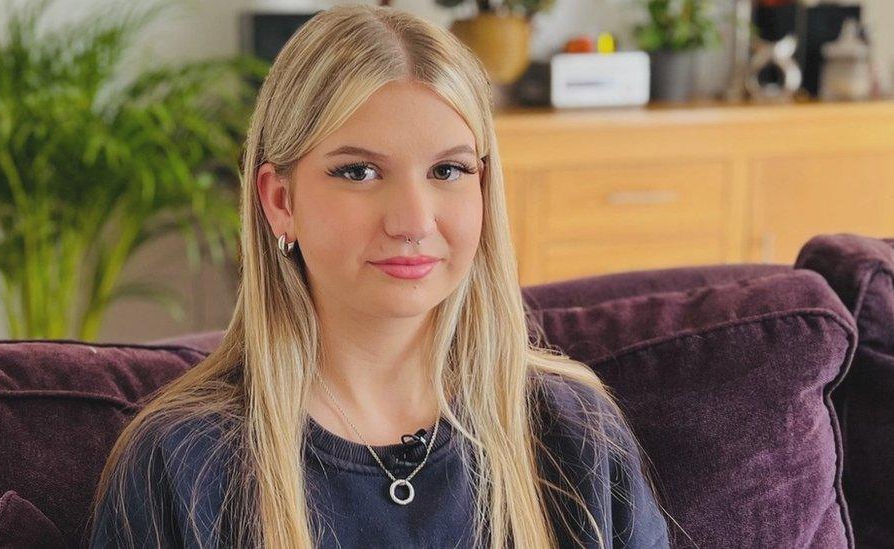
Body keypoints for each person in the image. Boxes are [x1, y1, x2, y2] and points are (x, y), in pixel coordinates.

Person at [87, 4, 674, 548]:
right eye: (360, 171)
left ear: (484, 189)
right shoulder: (180, 463)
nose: (413, 221)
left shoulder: (577, 435)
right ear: (280, 200)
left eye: (448, 169)